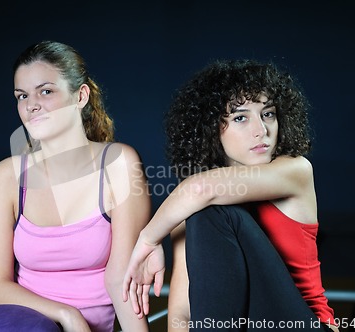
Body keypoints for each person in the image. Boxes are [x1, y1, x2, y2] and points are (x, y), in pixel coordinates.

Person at [122, 59, 339, 331]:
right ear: (212, 129)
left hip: (302, 324)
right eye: (240, 118)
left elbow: (201, 189)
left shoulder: (296, 170)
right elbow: (181, 312)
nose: (261, 130)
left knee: (210, 207)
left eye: (268, 114)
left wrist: (148, 240)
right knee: (200, 209)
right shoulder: (189, 206)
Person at [0, 40, 151, 332]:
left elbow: (122, 278)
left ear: (80, 96)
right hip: (21, 324)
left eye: (45, 91)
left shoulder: (119, 163)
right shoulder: (7, 176)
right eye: (21, 96)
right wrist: (67, 315)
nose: (31, 105)